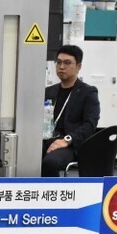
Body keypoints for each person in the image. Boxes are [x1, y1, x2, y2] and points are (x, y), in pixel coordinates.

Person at [42, 45, 101, 177]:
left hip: (71, 144)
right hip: (47, 138)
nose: (61, 67)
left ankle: (52, 190)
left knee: (50, 162)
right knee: (24, 155)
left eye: (67, 63)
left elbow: (90, 125)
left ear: (78, 66)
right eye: (58, 62)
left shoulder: (88, 92)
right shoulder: (49, 91)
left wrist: (67, 140)